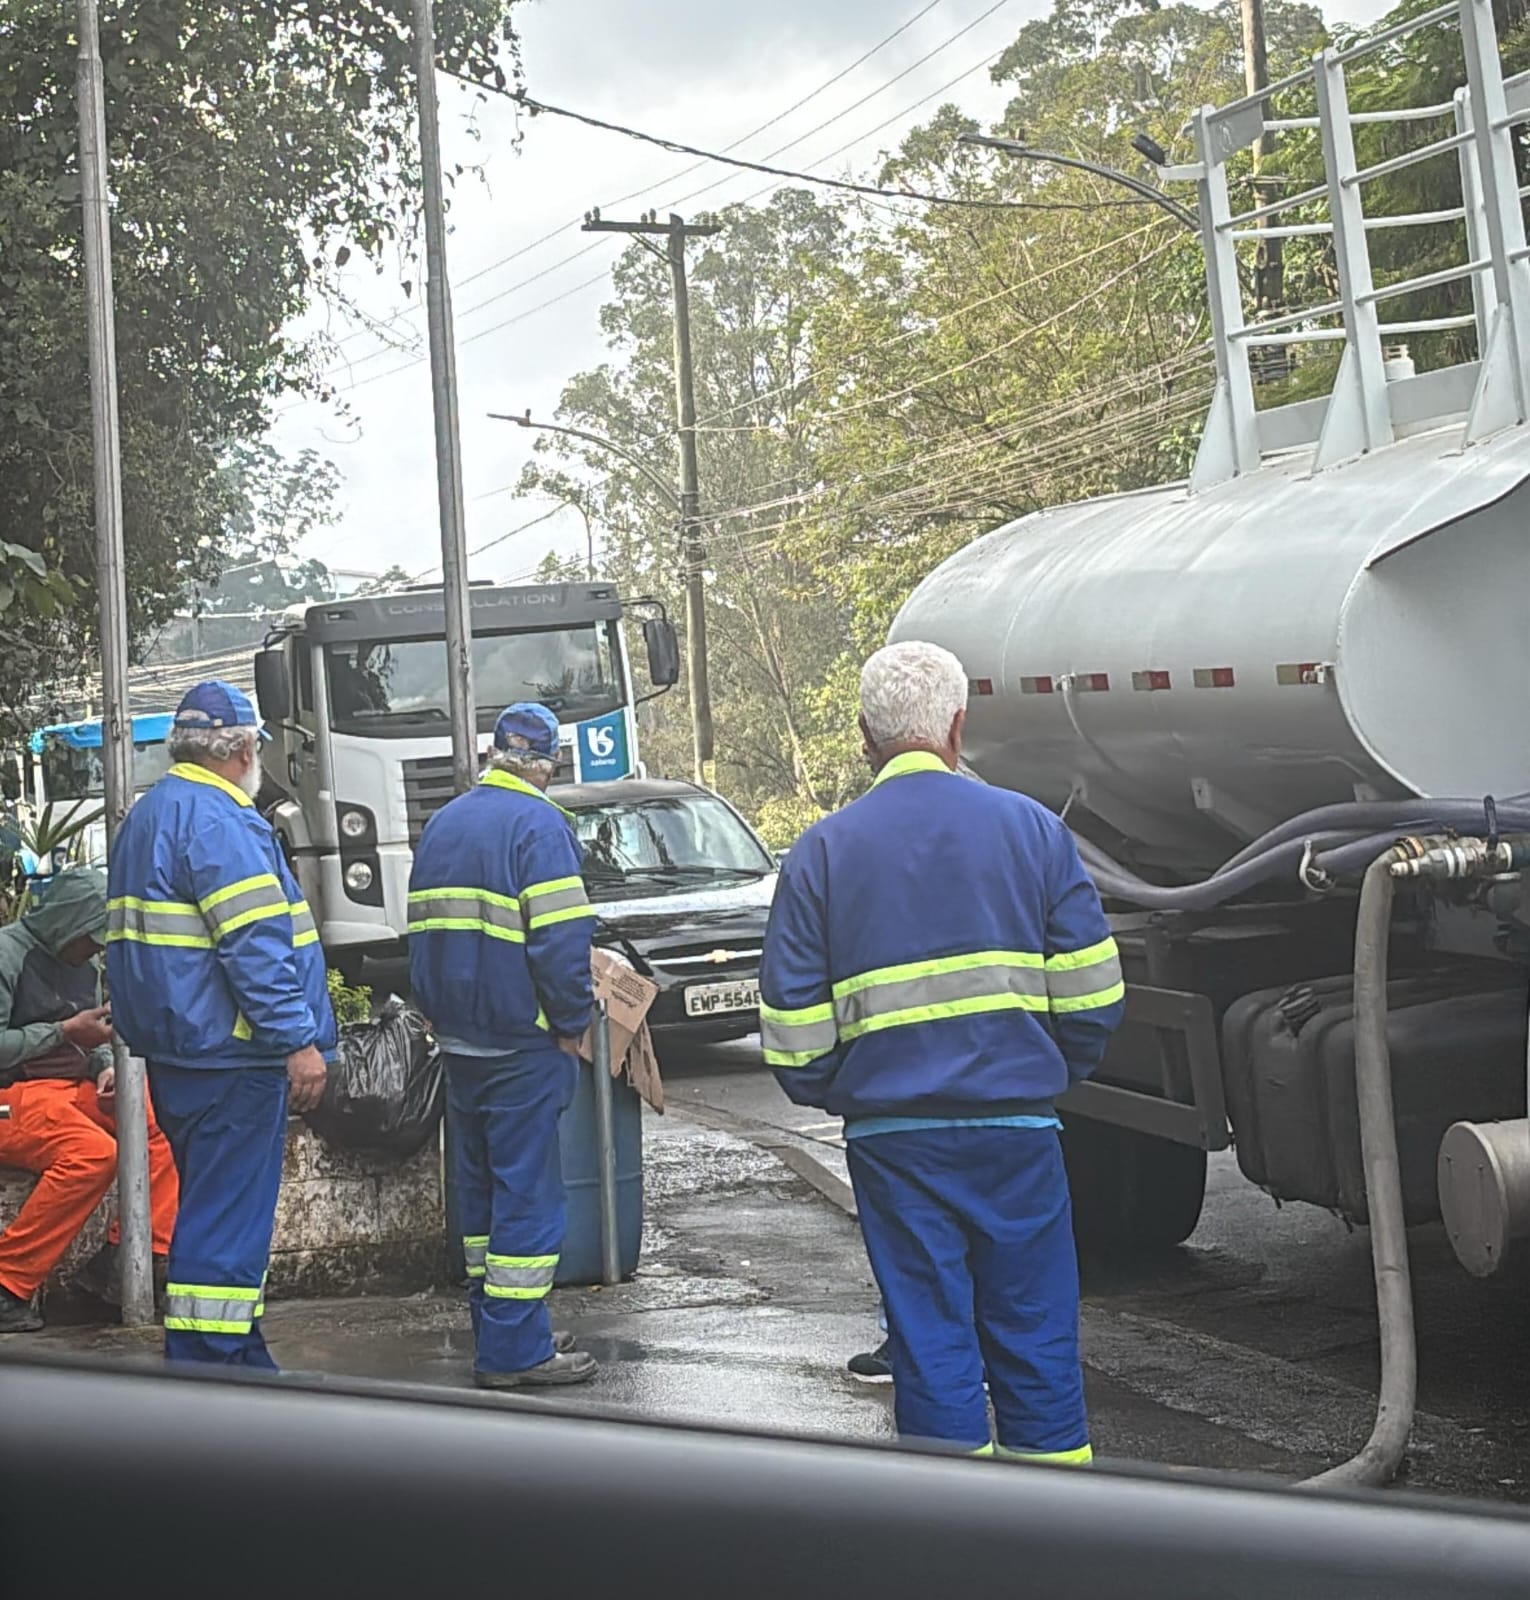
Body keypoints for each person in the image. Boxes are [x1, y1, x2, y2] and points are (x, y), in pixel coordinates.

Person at [759, 641, 1125, 1460]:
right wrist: (1052, 1072)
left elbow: (791, 1031)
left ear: (864, 736)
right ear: (960, 725)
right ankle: (1058, 1525)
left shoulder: (822, 852)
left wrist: (845, 1088)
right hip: (1018, 1129)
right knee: (1034, 1327)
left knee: (927, 1336)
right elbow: (1096, 996)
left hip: (894, 1139)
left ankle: (953, 1539)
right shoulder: (1033, 830)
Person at [106, 681, 333, 1368]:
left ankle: (236, 1361)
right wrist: (297, 1040)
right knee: (226, 1223)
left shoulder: (151, 815)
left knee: (212, 1207)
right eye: (257, 744)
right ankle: (212, 1375)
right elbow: (256, 948)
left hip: (180, 1052)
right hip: (234, 1057)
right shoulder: (222, 821)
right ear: (238, 748)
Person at [408, 703, 598, 1390]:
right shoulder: (540, 825)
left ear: (495, 754)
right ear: (547, 764)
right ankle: (517, 1351)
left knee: (483, 1192)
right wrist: (573, 1020)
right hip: (523, 1041)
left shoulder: (447, 822)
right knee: (528, 1193)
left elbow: (420, 935)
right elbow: (560, 943)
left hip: (459, 1041)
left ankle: (504, 1325)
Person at [0, 867, 179, 1332]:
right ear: (66, 923)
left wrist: (102, 1065)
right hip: (9, 1095)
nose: (96, 950)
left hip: (68, 1086)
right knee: (93, 1154)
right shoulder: (7, 954)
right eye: (91, 939)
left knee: (160, 1121)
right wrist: (62, 1032)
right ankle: (6, 1282)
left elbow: (93, 1031)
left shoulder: (87, 966)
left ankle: (124, 1263)